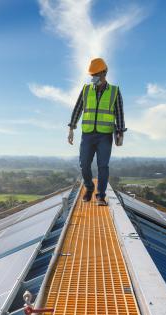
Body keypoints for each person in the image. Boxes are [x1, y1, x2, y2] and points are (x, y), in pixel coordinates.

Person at [67, 57, 126, 206]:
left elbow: (119, 113)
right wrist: (71, 128)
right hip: (87, 134)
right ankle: (89, 188)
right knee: (84, 164)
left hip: (105, 135)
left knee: (103, 165)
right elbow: (78, 109)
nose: (94, 78)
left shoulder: (114, 91)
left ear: (104, 73)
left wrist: (120, 133)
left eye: (97, 75)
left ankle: (100, 195)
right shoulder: (86, 90)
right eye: (92, 75)